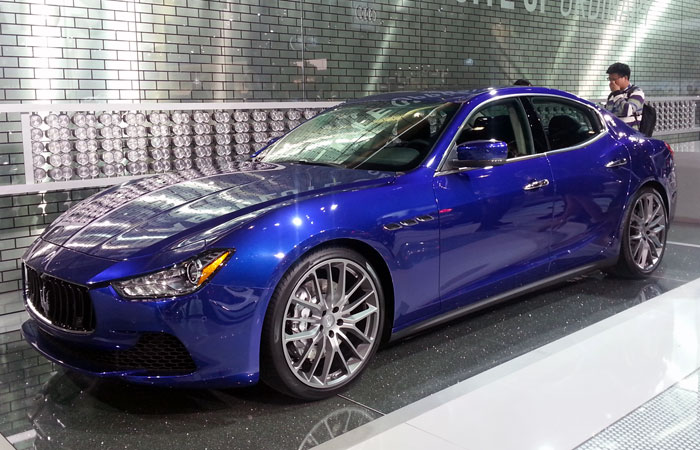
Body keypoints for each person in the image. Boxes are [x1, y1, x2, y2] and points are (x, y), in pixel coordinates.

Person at [605, 62, 645, 129]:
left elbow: (627, 111)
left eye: (614, 79)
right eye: (610, 79)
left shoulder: (636, 92)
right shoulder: (612, 95)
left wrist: (617, 93)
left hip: (630, 135)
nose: (612, 83)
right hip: (615, 134)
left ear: (625, 78)